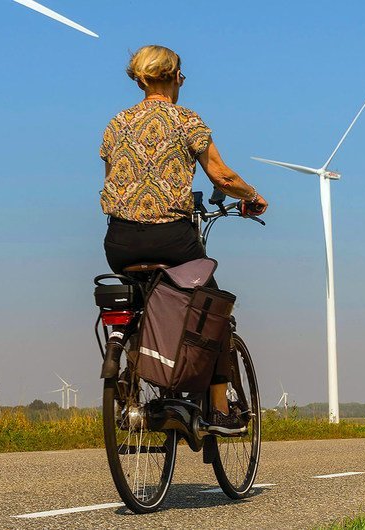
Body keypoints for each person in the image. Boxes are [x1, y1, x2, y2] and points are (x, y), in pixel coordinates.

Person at [99, 45, 268, 435]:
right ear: (176, 77)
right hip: (172, 239)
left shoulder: (116, 123)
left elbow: (112, 178)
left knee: (141, 299)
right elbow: (222, 177)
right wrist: (252, 196)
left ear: (139, 78)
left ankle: (132, 384)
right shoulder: (186, 120)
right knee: (213, 309)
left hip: (119, 241)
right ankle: (221, 409)